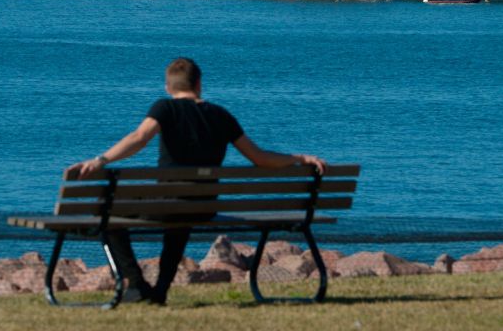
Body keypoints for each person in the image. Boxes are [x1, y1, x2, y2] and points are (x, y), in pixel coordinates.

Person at [67, 57, 326, 305]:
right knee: (182, 212)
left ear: (168, 87)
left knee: (107, 211)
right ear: (199, 83)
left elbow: (140, 137)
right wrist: (299, 158)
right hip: (203, 206)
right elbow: (259, 158)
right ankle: (161, 290)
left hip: (168, 204)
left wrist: (101, 159)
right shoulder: (221, 115)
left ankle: (135, 283)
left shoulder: (164, 107)